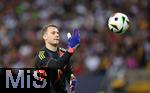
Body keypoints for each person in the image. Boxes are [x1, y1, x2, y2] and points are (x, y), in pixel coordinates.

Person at [34, 24, 80, 93]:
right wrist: (70, 50)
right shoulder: (42, 55)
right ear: (45, 36)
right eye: (53, 33)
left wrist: (72, 80)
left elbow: (69, 73)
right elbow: (56, 65)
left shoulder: (64, 52)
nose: (57, 35)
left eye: (58, 33)